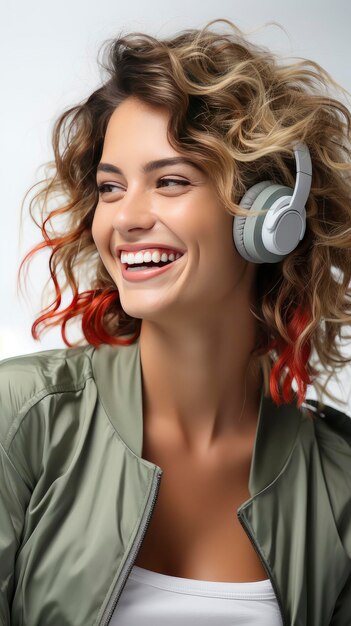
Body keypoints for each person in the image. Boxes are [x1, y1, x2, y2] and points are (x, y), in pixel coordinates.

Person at [1, 17, 351, 626]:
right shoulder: (25, 417)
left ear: (269, 219)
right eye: (110, 188)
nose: (126, 217)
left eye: (169, 181)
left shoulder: (339, 479)